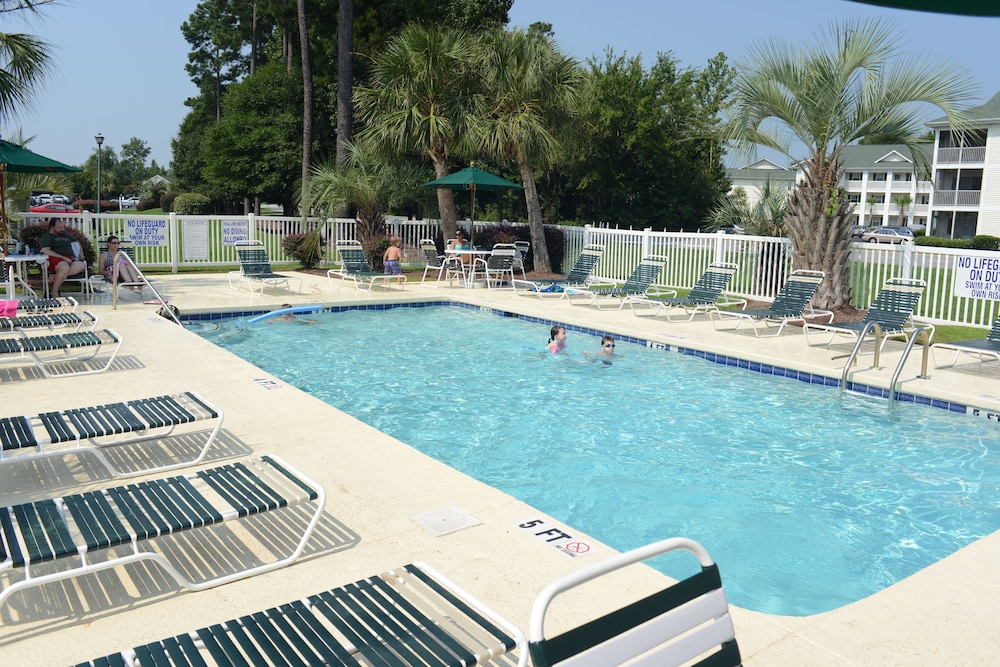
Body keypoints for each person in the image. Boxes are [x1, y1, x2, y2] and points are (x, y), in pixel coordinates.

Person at [39, 219, 86, 298]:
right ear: (52, 227)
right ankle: (54, 292)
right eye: (59, 227)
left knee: (81, 265)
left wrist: (81, 254)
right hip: (55, 259)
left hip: (70, 260)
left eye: (63, 227)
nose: (62, 229)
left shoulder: (66, 236)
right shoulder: (47, 237)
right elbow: (46, 251)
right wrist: (63, 257)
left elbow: (77, 242)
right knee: (64, 267)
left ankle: (55, 276)